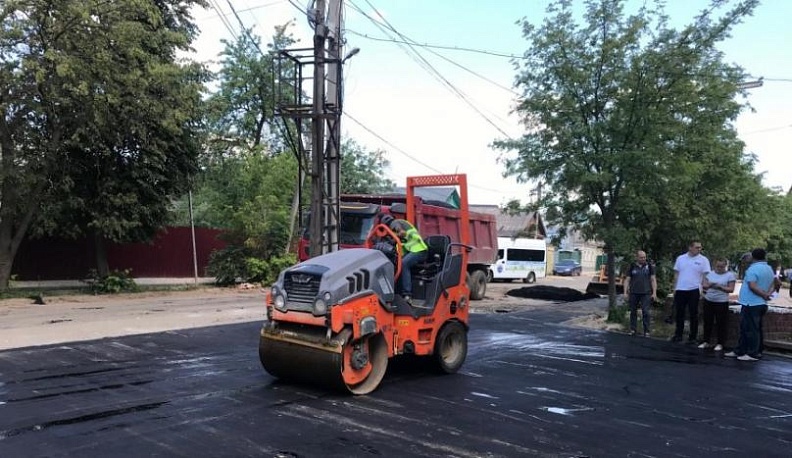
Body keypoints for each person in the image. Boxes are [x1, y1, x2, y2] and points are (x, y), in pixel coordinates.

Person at [725, 248, 775, 361]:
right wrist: (768, 294)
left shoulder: (753, 269)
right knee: (755, 328)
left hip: (751, 303)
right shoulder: (769, 268)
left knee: (749, 329)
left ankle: (752, 353)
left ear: (753, 256)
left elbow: (752, 286)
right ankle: (744, 350)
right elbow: (774, 284)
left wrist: (763, 295)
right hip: (761, 304)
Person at [379, 214, 428, 302]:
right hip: (413, 251)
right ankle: (397, 292)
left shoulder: (395, 223)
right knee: (397, 263)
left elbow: (400, 231)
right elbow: (402, 245)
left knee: (404, 264)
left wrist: (396, 234)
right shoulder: (400, 225)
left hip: (419, 250)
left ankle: (407, 295)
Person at [671, 241, 710, 343]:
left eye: (700, 248)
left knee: (693, 313)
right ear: (690, 247)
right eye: (697, 247)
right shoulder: (680, 258)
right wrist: (674, 288)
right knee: (680, 312)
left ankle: (693, 337)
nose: (699, 249)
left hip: (694, 289)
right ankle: (678, 334)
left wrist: (703, 290)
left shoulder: (703, 260)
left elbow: (706, 276)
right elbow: (676, 274)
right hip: (681, 288)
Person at [699, 258, 737, 351]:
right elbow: (704, 285)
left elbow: (731, 289)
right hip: (709, 299)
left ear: (725, 266)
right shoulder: (710, 274)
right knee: (708, 321)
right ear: (715, 266)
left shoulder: (730, 275)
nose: (719, 268)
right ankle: (706, 341)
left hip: (721, 301)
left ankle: (720, 343)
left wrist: (720, 286)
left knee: (721, 323)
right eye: (718, 266)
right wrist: (710, 285)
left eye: (722, 267)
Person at [623, 250, 657, 337]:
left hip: (646, 293)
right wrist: (625, 292)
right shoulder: (632, 266)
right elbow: (627, 280)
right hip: (634, 293)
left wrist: (654, 293)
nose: (643, 259)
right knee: (633, 311)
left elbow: (653, 280)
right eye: (641, 257)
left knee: (646, 312)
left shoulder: (649, 266)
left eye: (644, 257)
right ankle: (633, 329)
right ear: (637, 257)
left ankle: (647, 331)